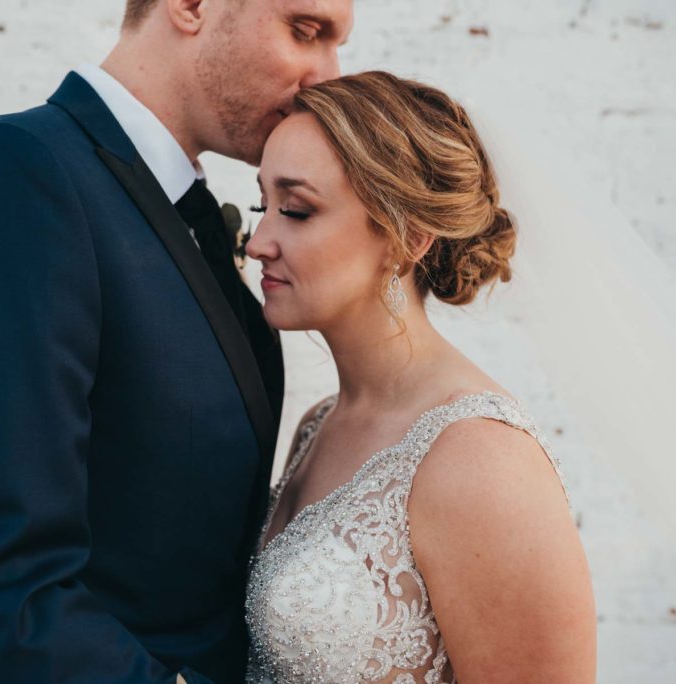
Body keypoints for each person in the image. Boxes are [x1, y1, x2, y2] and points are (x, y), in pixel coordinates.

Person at [0, 0, 351, 681]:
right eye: (305, 31)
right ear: (190, 6)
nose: (327, 75)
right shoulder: (8, 178)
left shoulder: (189, 219)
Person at [243, 71, 597, 683]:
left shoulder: (482, 459)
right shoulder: (319, 423)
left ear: (406, 237)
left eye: (296, 210)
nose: (259, 243)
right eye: (262, 206)